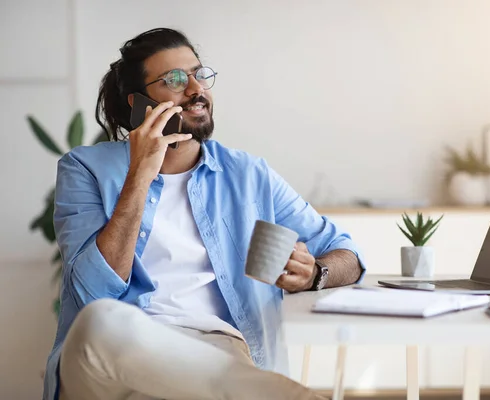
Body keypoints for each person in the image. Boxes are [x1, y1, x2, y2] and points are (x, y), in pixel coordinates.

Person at [42, 27, 365, 400]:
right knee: (100, 321)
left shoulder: (248, 175)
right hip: (109, 361)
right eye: (175, 80)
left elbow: (348, 254)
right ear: (138, 103)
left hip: (215, 351)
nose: (196, 89)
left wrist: (315, 275)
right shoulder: (85, 168)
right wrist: (140, 174)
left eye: (200, 74)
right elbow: (93, 291)